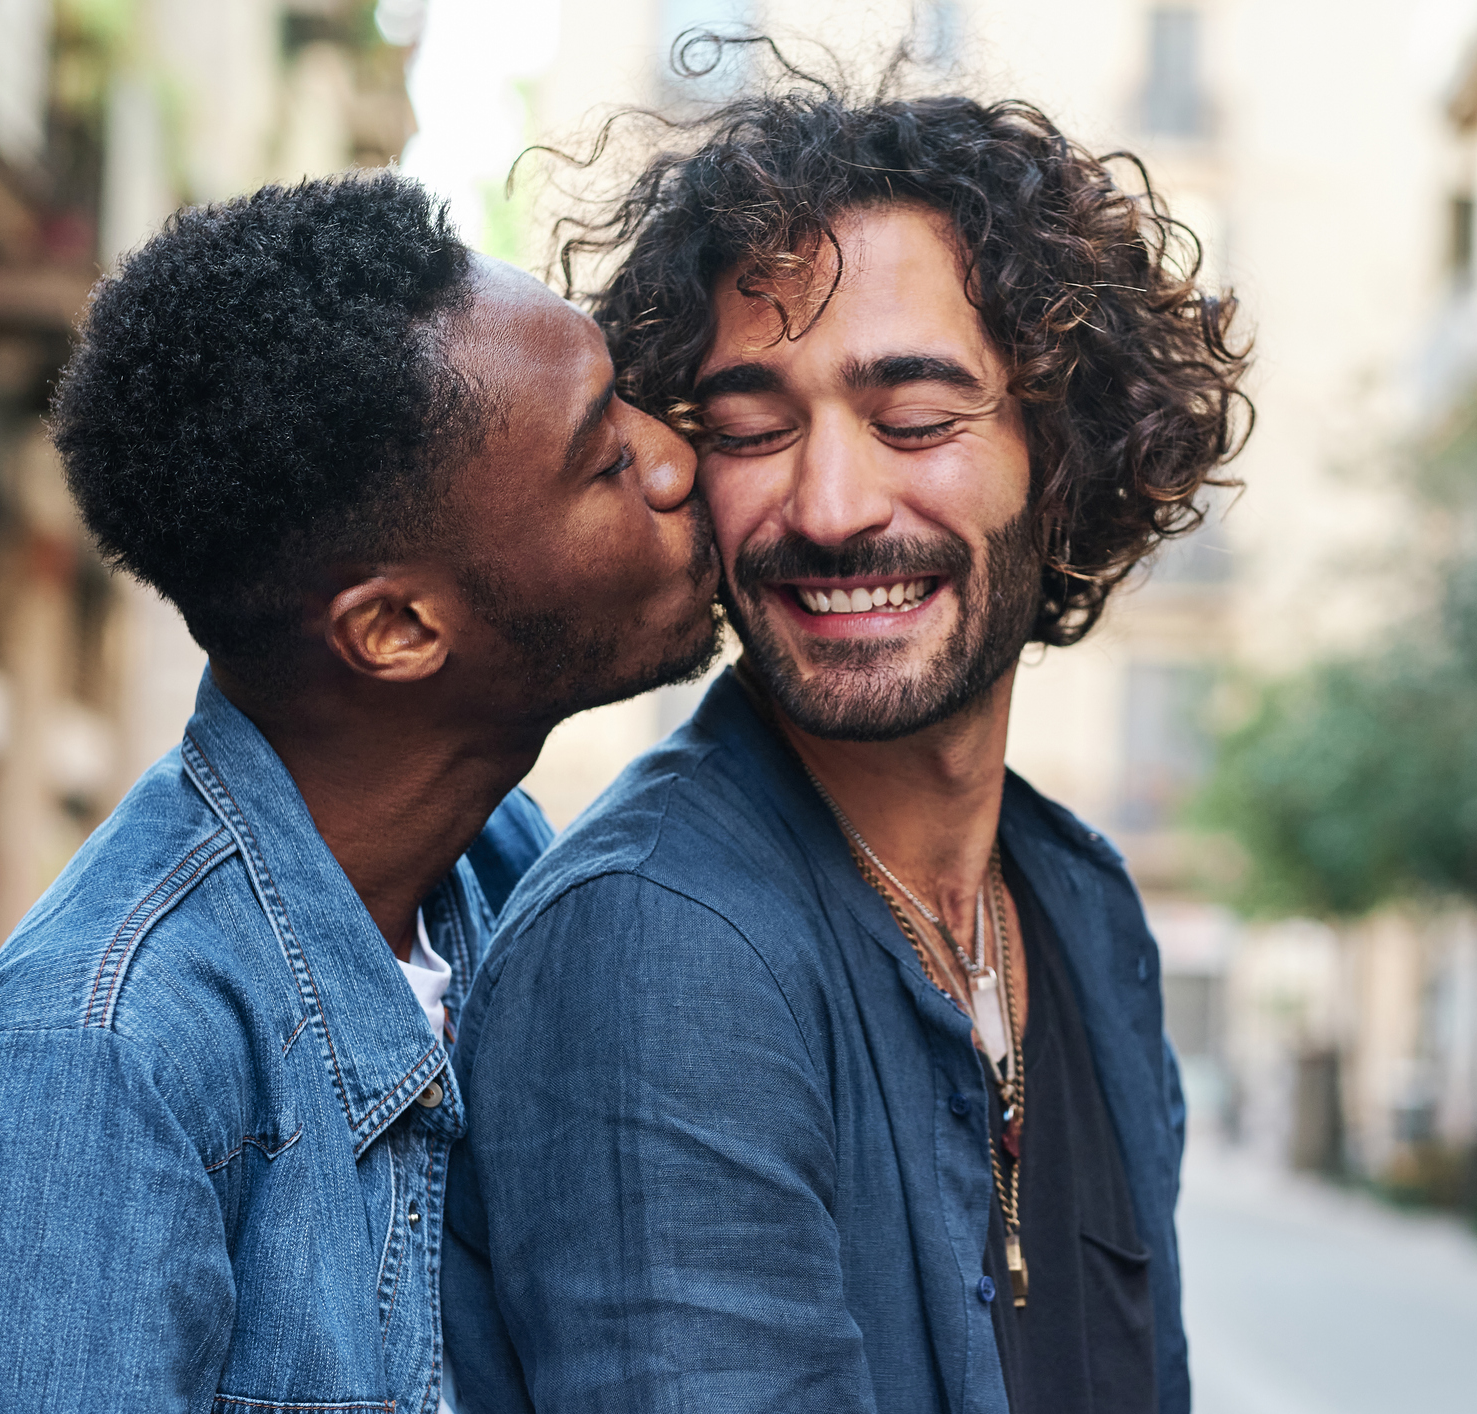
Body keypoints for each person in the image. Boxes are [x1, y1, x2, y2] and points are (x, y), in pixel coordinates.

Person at [445, 87, 1249, 1414]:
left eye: (917, 419)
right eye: (750, 429)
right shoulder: (657, 937)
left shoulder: (1086, 908)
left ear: (1064, 452)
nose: (827, 508)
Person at [0, 172, 719, 1411]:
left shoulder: (503, 874)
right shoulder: (96, 1076)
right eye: (601, 457)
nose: (672, 462)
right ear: (395, 629)